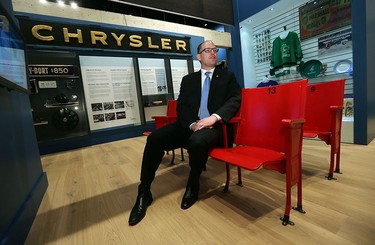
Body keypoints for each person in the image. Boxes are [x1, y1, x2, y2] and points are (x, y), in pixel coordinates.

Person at [128, 40, 242, 226]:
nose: (213, 53)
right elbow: (182, 107)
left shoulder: (227, 77)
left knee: (197, 142)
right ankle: (144, 191)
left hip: (215, 127)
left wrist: (213, 117)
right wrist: (191, 124)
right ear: (199, 57)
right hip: (190, 125)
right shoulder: (188, 80)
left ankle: (193, 181)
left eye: (215, 50)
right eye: (207, 50)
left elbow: (235, 99)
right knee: (155, 138)